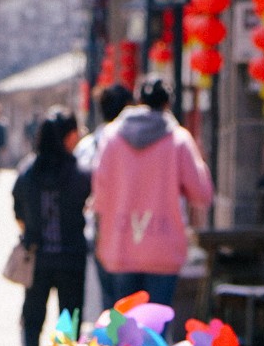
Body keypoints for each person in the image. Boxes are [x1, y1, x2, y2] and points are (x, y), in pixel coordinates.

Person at [90, 78, 213, 306]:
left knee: (123, 333)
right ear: (168, 104)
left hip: (120, 244)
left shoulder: (111, 137)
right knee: (155, 333)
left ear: (138, 101)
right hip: (163, 248)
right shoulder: (179, 139)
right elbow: (202, 194)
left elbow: (99, 196)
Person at [11, 108, 92, 346]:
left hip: (38, 257)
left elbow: (18, 209)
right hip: (71, 257)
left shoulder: (29, 173)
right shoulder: (80, 173)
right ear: (67, 137)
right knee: (68, 321)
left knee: (33, 314)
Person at [74, 83, 133, 310]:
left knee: (109, 304)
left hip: (100, 230)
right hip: (133, 230)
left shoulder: (88, 145)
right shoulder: (138, 144)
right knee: (129, 305)